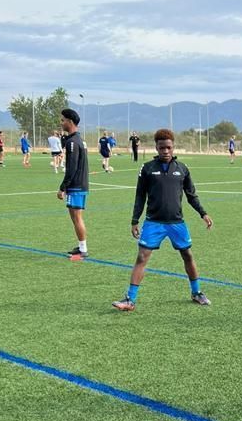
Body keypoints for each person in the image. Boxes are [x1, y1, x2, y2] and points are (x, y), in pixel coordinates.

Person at [112, 129, 213, 310]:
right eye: (161, 148)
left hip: (177, 222)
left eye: (168, 147)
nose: (165, 151)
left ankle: (196, 292)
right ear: (156, 148)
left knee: (187, 255)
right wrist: (135, 220)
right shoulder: (147, 168)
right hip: (153, 222)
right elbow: (140, 196)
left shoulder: (182, 169)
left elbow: (192, 196)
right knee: (142, 257)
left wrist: (203, 213)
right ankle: (130, 299)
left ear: (173, 147)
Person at [57, 109, 90, 260]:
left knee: (77, 218)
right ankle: (81, 246)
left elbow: (72, 167)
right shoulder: (77, 139)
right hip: (79, 185)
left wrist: (63, 187)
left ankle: (83, 249)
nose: (61, 122)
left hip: (76, 186)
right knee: (75, 218)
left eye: (63, 120)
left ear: (70, 122)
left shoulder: (73, 142)